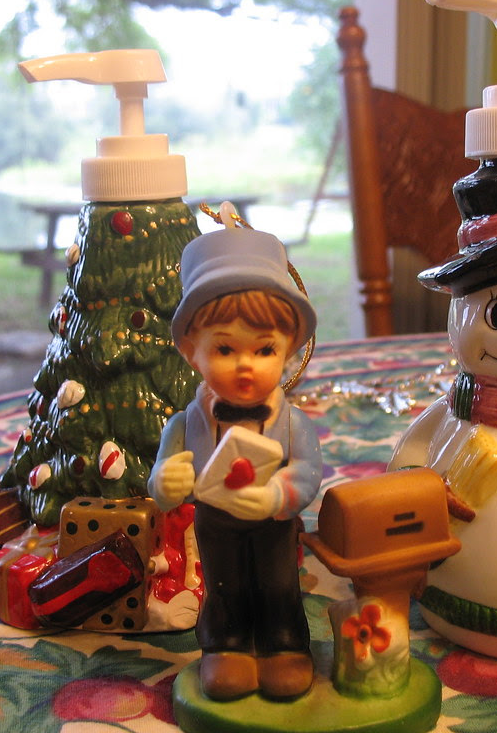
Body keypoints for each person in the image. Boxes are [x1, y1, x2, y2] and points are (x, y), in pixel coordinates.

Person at [148, 216, 322, 701]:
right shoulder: (185, 424)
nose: (246, 365)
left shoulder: (292, 423)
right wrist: (166, 481)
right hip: (215, 523)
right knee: (223, 585)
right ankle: (225, 646)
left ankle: (284, 644)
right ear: (191, 351)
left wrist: (276, 495)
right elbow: (160, 478)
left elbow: (308, 472)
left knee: (278, 583)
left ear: (289, 350)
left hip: (273, 525)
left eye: (264, 349)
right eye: (224, 348)